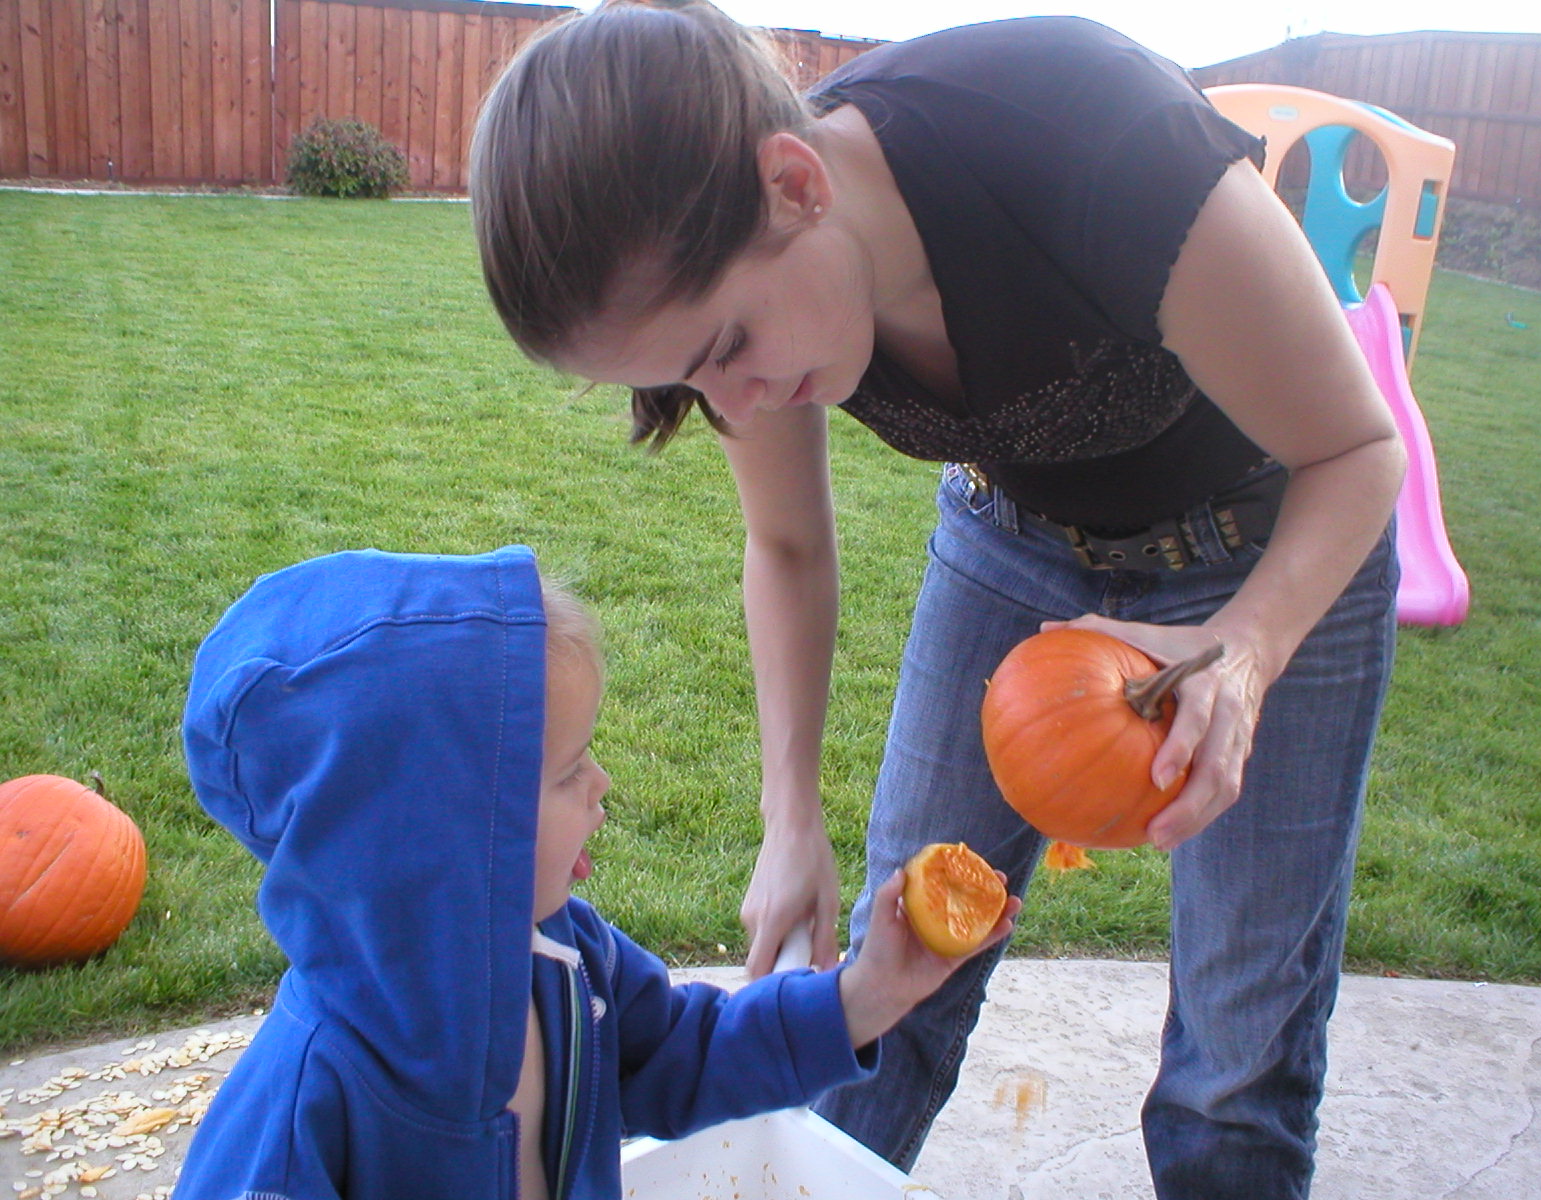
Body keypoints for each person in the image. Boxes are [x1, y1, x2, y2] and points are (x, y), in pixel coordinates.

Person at [469, 5, 1405, 1196]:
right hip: (1011, 539)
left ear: (794, 182)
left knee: (1236, 1050)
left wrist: (1247, 653)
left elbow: (1358, 452)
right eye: (690, 382)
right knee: (894, 975)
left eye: (727, 347)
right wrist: (788, 810)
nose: (743, 408)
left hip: (1271, 542)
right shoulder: (759, 298)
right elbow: (789, 543)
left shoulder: (1089, 137)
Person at [175, 544, 1018, 1200]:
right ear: (442, 835)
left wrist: (868, 994)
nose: (602, 783)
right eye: (569, 769)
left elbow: (692, 1052)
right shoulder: (305, 1100)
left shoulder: (571, 964)